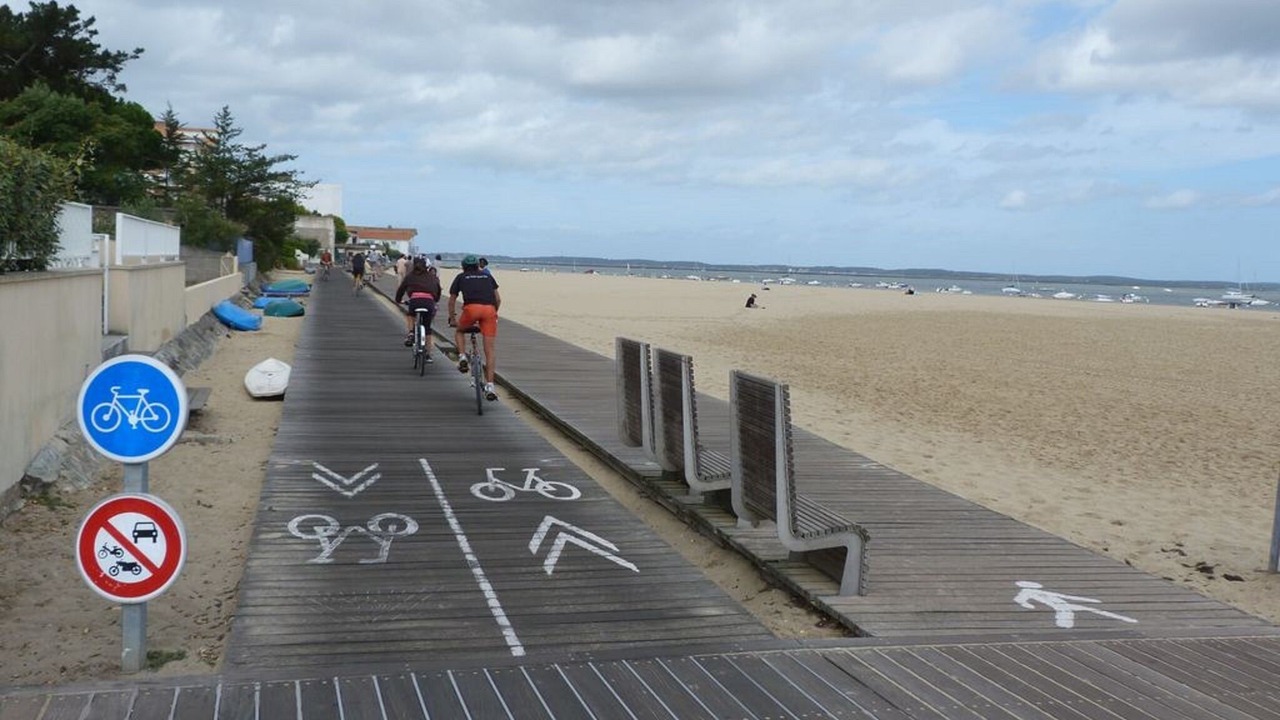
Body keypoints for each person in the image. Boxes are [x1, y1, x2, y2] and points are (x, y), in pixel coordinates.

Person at [448, 254, 501, 401]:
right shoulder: (487, 276)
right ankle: (490, 386)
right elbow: (498, 299)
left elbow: (452, 300)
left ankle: (463, 356)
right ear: (478, 265)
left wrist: (452, 318)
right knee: (489, 350)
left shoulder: (461, 277)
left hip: (471, 309)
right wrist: (494, 313)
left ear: (463, 267)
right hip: (489, 310)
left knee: (459, 330)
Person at [395, 258, 442, 356]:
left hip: (415, 300)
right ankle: (428, 355)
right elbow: (438, 290)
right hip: (429, 302)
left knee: (410, 314)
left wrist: (398, 300)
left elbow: (401, 289)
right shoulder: (432, 276)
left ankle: (411, 332)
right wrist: (435, 300)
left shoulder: (410, 276)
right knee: (427, 328)